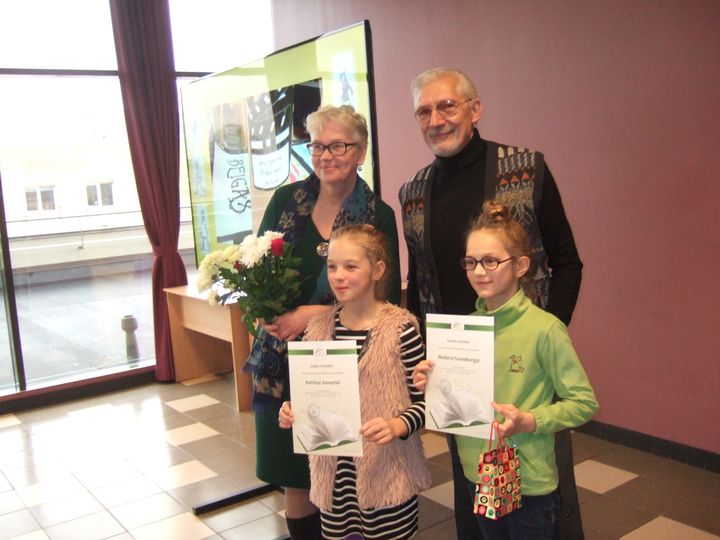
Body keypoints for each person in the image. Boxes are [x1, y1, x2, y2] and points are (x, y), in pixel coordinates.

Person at [399, 67, 586, 539]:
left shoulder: (526, 168)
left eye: (447, 106)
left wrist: (544, 338)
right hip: (457, 373)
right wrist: (424, 356)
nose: (436, 120)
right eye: (424, 111)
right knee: (476, 490)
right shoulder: (413, 193)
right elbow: (418, 282)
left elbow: (567, 262)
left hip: (522, 374)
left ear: (475, 109)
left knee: (536, 490)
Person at [248, 105, 402, 540]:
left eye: (338, 145)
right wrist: (262, 308)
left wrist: (307, 317)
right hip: (281, 362)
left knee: (339, 478)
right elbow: (258, 264)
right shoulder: (285, 201)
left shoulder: (377, 215)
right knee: (296, 479)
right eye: (317, 146)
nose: (326, 155)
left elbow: (383, 298)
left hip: (346, 361)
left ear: (361, 151)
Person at [413, 202, 598, 540]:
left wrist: (530, 420)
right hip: (480, 474)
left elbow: (584, 402)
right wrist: (434, 385)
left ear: (520, 266)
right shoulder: (464, 331)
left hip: (530, 481)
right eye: (471, 262)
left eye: (490, 261)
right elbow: (459, 403)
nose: (478, 272)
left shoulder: (545, 330)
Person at [279, 224, 430, 540]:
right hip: (335, 482)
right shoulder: (317, 331)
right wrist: (292, 410)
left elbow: (427, 404)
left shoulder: (401, 331)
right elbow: (309, 397)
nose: (338, 276)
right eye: (332, 266)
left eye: (350, 266)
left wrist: (397, 425)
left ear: (378, 270)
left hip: (388, 475)